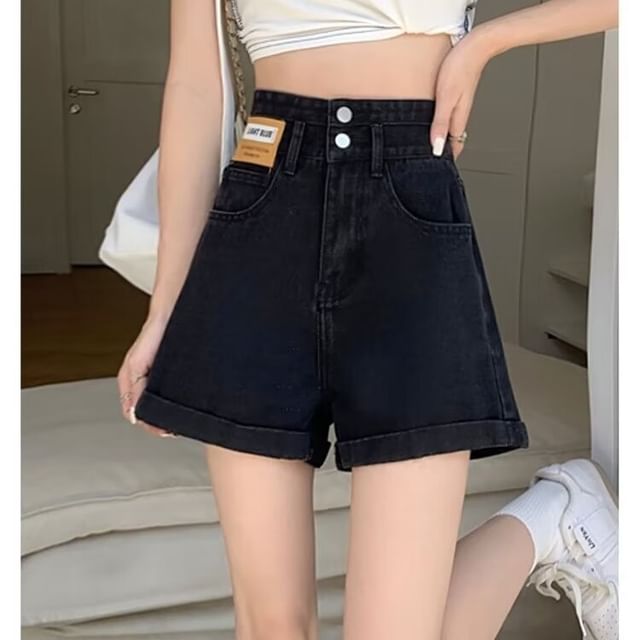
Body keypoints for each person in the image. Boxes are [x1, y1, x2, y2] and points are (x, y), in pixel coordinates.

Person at [117, 0, 619, 638]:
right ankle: (555, 516)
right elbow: (196, 84)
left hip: (409, 212)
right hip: (261, 211)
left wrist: (485, 43)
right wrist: (165, 309)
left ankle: (551, 519)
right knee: (271, 626)